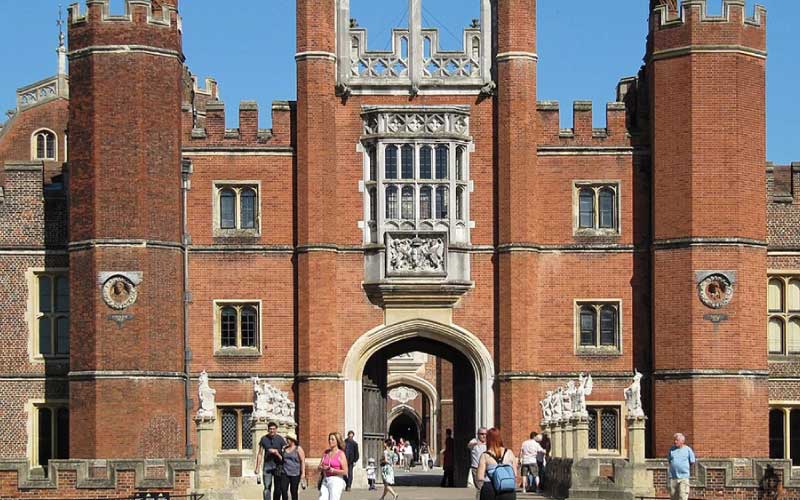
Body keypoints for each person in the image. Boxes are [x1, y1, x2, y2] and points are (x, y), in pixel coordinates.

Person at [476, 428, 518, 500]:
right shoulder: (509, 453)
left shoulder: (485, 455)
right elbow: (515, 474)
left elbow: (479, 477)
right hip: (508, 488)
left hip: (490, 488)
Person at [254, 422, 287, 500]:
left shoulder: (280, 439)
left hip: (278, 466)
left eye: (273, 429)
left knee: (278, 488)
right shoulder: (263, 439)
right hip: (267, 466)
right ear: (268, 429)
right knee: (267, 487)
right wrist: (257, 467)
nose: (272, 431)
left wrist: (277, 453)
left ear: (276, 430)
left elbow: (285, 453)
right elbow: (260, 454)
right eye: (270, 429)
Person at [318, 432, 348, 500]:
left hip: (336, 480)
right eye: (329, 439)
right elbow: (320, 466)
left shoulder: (341, 454)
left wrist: (332, 470)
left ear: (337, 441)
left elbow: (345, 471)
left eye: (332, 439)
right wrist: (321, 467)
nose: (330, 441)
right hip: (325, 479)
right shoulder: (326, 452)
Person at [667, 433, 696, 500]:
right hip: (673, 477)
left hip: (684, 478)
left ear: (682, 441)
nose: (675, 442)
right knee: (674, 497)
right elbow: (669, 460)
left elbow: (692, 462)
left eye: (677, 440)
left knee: (683, 496)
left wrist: (684, 469)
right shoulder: (671, 450)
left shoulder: (688, 450)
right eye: (674, 440)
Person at [279, 433, 306, 500]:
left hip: (295, 473)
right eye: (287, 439)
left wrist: (303, 473)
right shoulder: (285, 448)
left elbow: (302, 461)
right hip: (285, 472)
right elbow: (282, 459)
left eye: (288, 439)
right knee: (283, 489)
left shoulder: (298, 448)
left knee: (293, 491)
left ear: (292, 440)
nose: (287, 440)